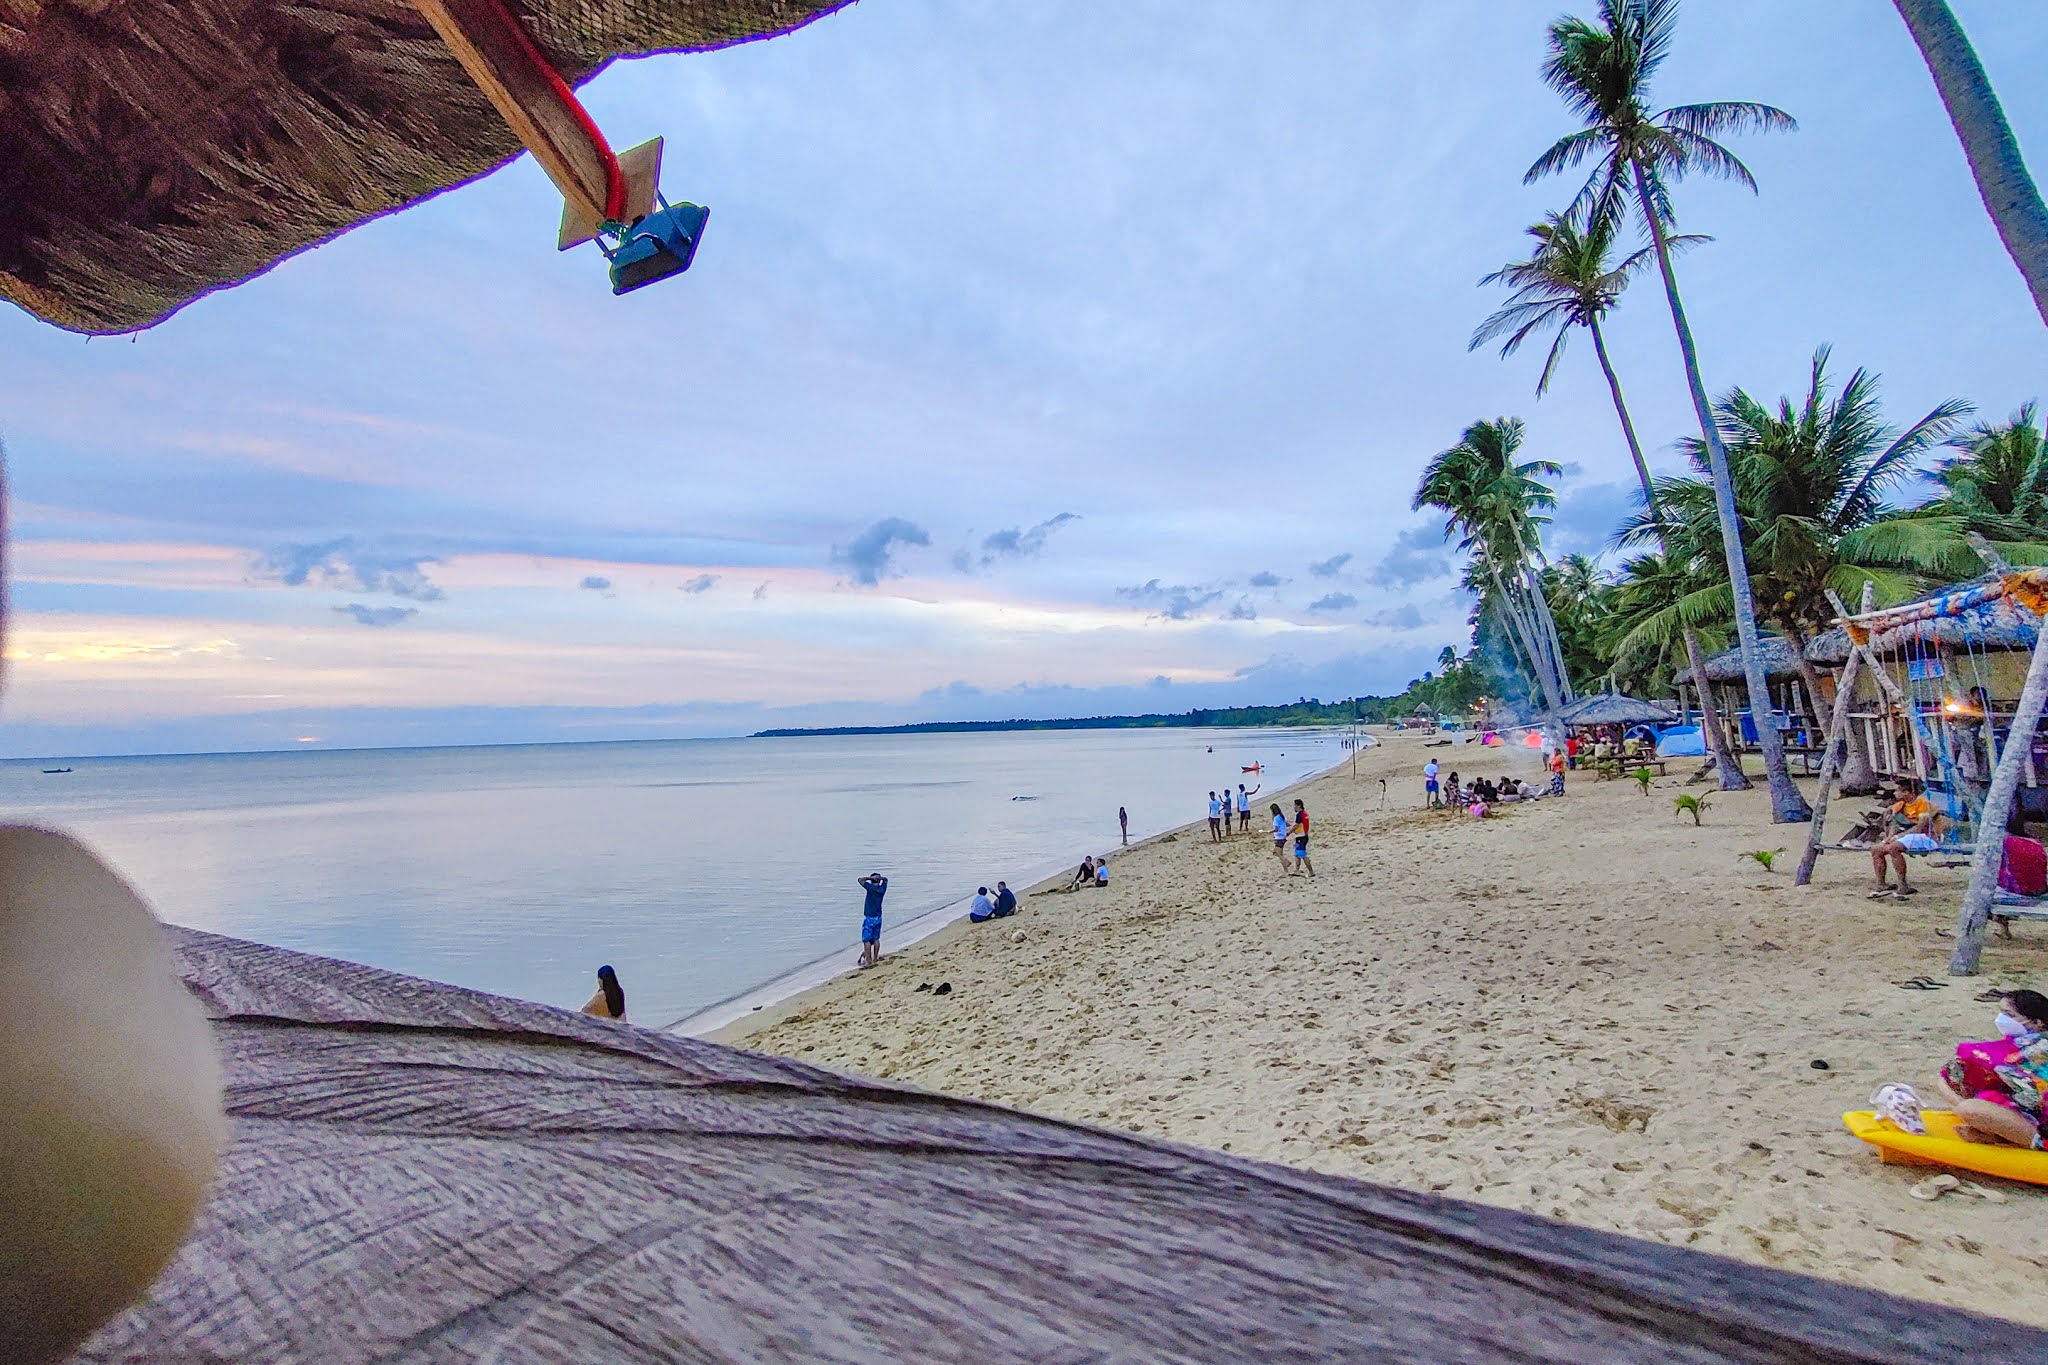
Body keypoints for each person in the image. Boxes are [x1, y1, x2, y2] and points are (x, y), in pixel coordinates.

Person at [1874, 989, 2048, 1150]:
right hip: (2031, 1110)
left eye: (2009, 1014)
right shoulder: (2021, 1044)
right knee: (1952, 1082)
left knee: (1967, 1107)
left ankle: (2020, 1139)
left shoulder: (2036, 1048)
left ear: (2037, 1023)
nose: (2002, 1019)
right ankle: (1995, 1132)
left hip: (2042, 1124)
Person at [1869, 776, 1937, 900]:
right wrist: (1888, 838)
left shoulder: (1923, 804)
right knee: (1876, 849)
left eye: (1898, 790)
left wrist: (1898, 837)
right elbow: (1894, 824)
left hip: (1926, 837)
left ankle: (1903, 885)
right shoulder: (1900, 805)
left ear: (1907, 792)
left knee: (1894, 848)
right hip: (1906, 837)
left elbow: (1920, 827)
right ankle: (1881, 884)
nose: (1895, 793)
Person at [856, 872, 888, 967]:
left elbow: (860, 879)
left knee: (866, 940)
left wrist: (869, 878)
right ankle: (875, 958)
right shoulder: (882, 889)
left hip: (870, 917)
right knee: (876, 939)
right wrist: (879, 878)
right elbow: (886, 879)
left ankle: (869, 960)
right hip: (878, 917)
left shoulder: (870, 888)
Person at [1291, 799, 1314, 878]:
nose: (1294, 807)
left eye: (1294, 805)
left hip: (1301, 836)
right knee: (1297, 854)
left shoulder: (1300, 814)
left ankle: (1311, 871)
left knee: (1303, 855)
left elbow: (1296, 825)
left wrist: (1288, 832)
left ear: (1298, 805)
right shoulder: (1305, 814)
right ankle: (1296, 870)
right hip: (1303, 835)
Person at [1270, 802, 1289, 868]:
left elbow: (1276, 829)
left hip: (1279, 838)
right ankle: (1286, 869)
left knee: (1277, 853)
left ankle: (1287, 862)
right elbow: (1286, 824)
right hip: (1283, 836)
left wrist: (1269, 831)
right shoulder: (1281, 816)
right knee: (1279, 853)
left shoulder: (1276, 818)